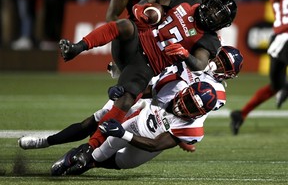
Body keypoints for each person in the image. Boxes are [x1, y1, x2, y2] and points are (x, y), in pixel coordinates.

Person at [58, 0, 237, 150]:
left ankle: (91, 147)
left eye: (219, 15)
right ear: (208, 2)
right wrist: (142, 7)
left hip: (147, 66)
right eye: (214, 8)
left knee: (126, 100)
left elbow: (198, 64)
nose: (213, 14)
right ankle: (76, 48)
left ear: (223, 24)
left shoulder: (210, 40)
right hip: (136, 41)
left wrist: (184, 55)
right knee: (125, 25)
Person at [19, 45, 243, 154]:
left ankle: (80, 158)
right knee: (95, 120)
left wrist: (182, 139)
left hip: (155, 110)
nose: (218, 64)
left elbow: (191, 109)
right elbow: (161, 61)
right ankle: (47, 141)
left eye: (225, 65)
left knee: (110, 138)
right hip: (144, 90)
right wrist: (127, 72)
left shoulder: (216, 93)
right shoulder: (198, 57)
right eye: (220, 58)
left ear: (229, 75)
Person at [50, 80, 218, 176]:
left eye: (193, 106)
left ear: (200, 113)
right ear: (185, 91)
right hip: (139, 121)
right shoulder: (174, 87)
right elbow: (143, 91)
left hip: (147, 145)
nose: (186, 105)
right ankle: (73, 158)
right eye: (188, 98)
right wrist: (123, 91)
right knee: (98, 150)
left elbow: (156, 145)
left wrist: (124, 134)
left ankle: (88, 163)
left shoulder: (193, 128)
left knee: (117, 162)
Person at [230, 0, 288, 135]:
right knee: (279, 87)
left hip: (276, 41)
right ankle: (285, 88)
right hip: (286, 39)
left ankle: (240, 114)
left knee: (275, 86)